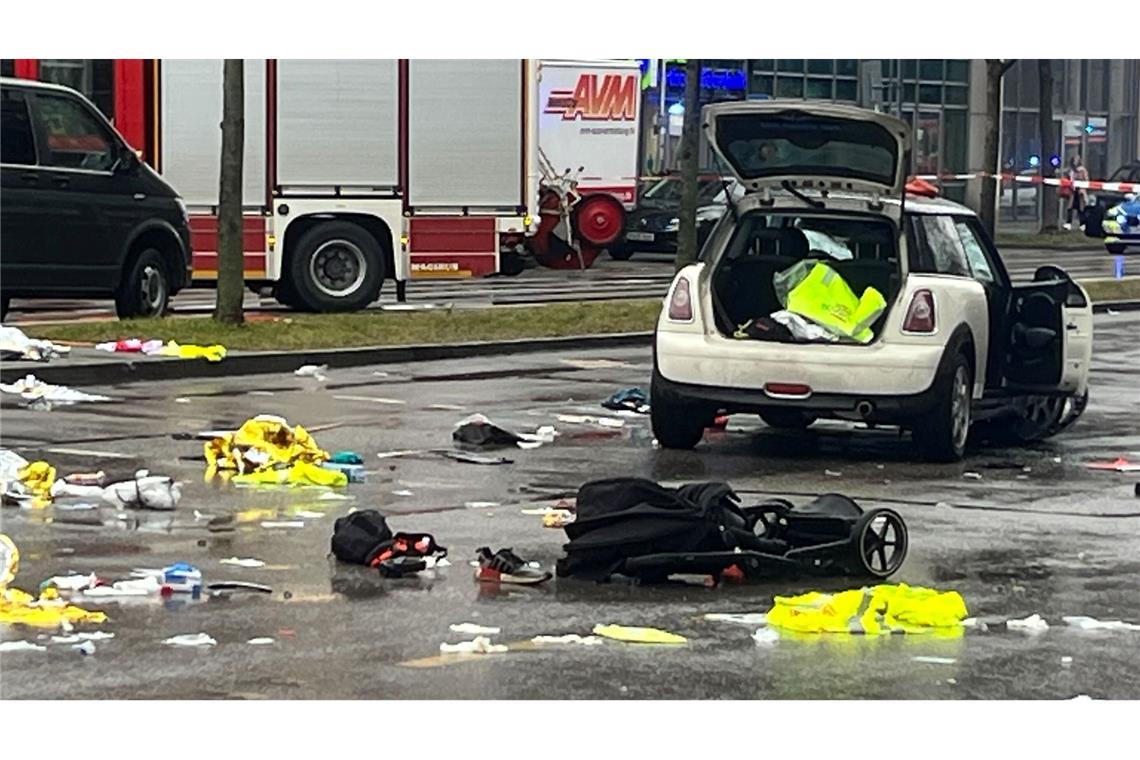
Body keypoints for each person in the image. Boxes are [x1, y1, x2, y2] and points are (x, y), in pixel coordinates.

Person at [1063, 155, 1089, 230]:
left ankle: (1082, 224)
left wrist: (1083, 188)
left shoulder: (1082, 170)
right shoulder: (1070, 170)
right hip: (1072, 191)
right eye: (1074, 160)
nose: (1076, 161)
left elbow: (1085, 179)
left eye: (1077, 160)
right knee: (1070, 207)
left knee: (1081, 208)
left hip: (1080, 190)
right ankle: (1068, 223)